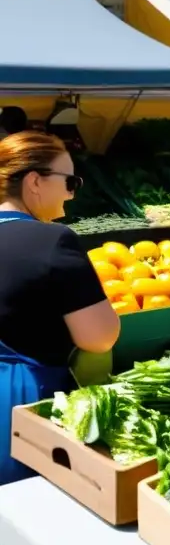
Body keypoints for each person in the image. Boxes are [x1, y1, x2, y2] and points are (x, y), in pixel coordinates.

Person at [0, 132, 121, 483]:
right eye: (69, 181)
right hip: (20, 404)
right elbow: (99, 338)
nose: (72, 193)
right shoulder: (53, 240)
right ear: (35, 181)